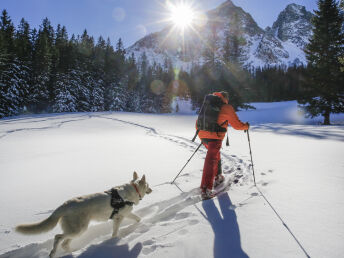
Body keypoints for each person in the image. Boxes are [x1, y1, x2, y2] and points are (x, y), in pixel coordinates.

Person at [197, 91, 249, 199]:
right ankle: (205, 189)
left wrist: (203, 133)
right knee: (211, 158)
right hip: (215, 137)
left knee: (215, 154)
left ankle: (218, 176)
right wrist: (246, 126)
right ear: (225, 98)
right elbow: (237, 125)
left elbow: (198, 121)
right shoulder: (226, 107)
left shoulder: (207, 105)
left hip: (202, 135)